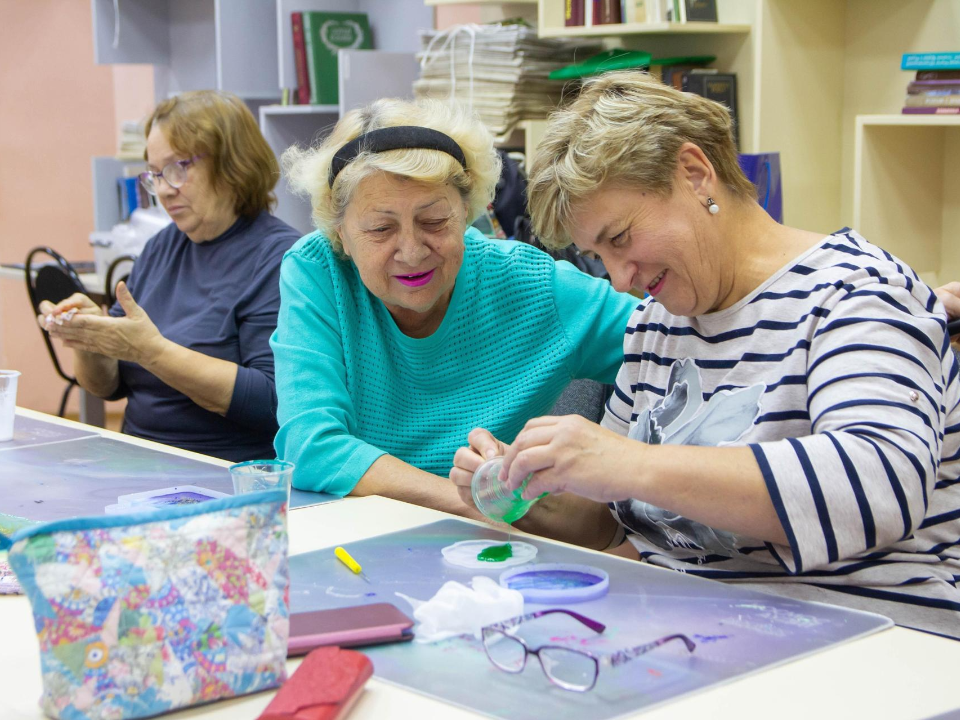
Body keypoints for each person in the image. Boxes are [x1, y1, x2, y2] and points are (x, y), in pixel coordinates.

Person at [451, 71, 960, 638]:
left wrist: (628, 462)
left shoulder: (857, 292)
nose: (620, 279)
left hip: (867, 630)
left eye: (620, 239)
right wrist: (524, 487)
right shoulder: (657, 321)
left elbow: (878, 487)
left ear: (694, 174)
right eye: (598, 255)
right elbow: (610, 521)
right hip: (694, 625)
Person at [271, 98, 637, 539]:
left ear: (468, 211)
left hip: (485, 555)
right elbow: (311, 446)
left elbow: (673, 340)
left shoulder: (533, 286)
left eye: (434, 220)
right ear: (340, 233)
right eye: (380, 229)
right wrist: (472, 502)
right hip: (358, 540)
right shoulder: (317, 271)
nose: (411, 251)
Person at [40, 91, 300, 461]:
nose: (163, 189)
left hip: (227, 472)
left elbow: (271, 401)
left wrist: (151, 351)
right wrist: (89, 338)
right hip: (140, 460)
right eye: (155, 174)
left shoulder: (281, 259)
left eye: (178, 168)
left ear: (232, 164)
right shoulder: (161, 247)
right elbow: (108, 386)